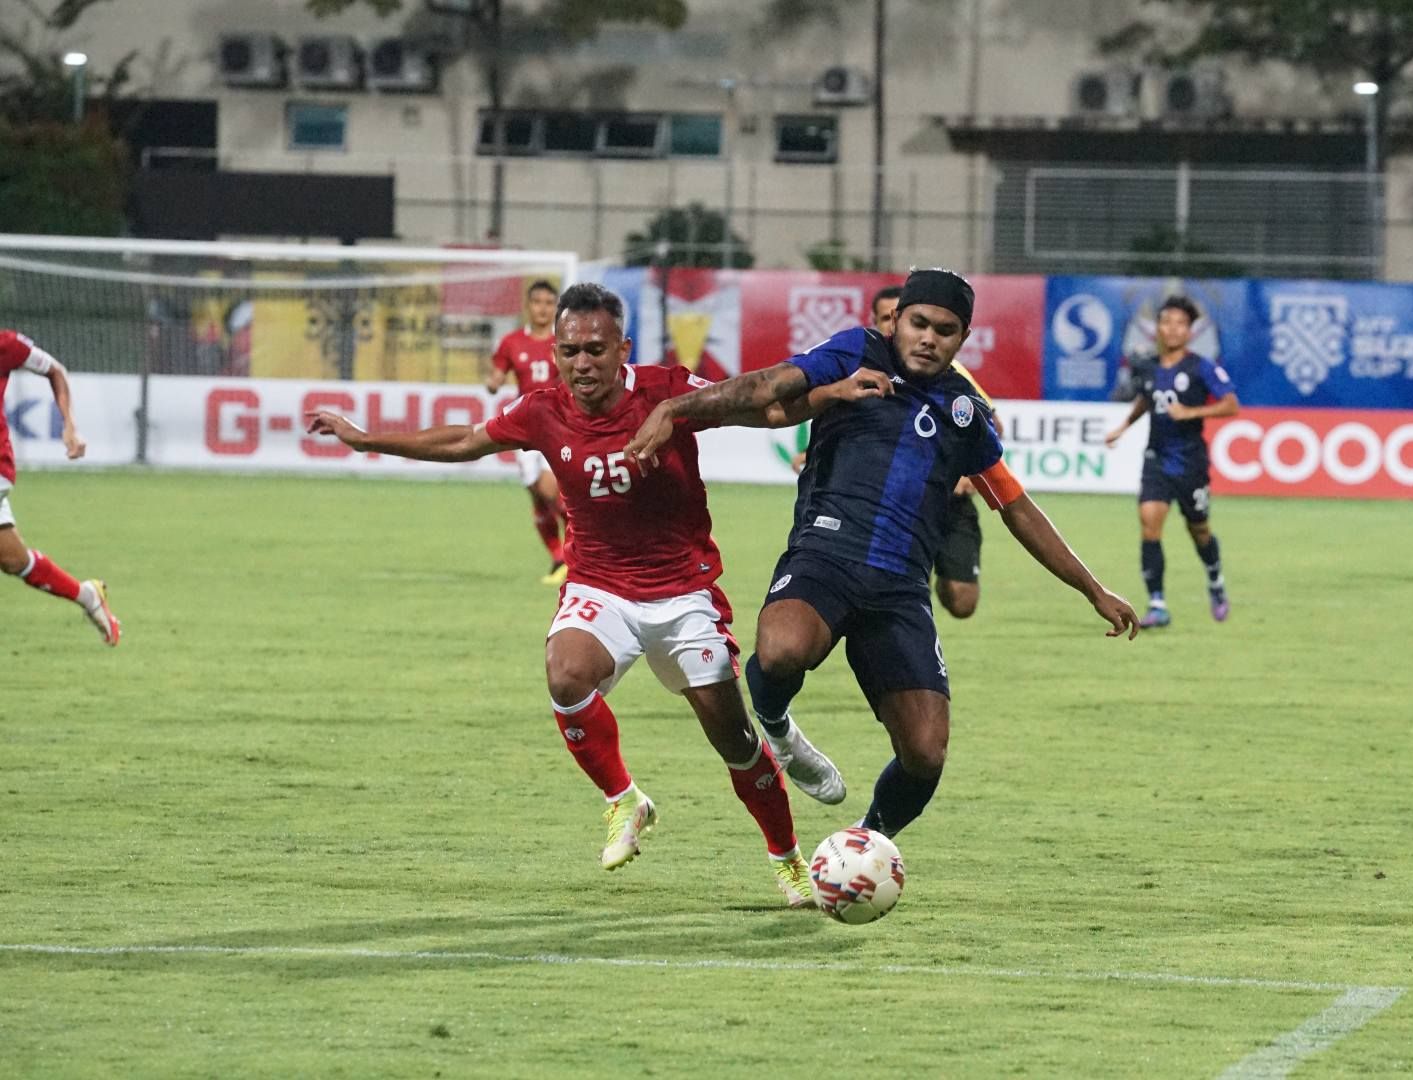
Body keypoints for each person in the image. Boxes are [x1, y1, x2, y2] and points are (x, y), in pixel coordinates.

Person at [307, 283, 873, 905]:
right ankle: (624, 800)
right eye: (570, 350)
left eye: (596, 350)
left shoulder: (666, 390)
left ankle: (787, 858)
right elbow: (467, 440)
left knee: (735, 742)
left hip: (685, 598)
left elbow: (766, 410)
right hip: (600, 587)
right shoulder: (542, 410)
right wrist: (369, 440)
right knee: (565, 674)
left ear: (622, 348)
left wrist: (831, 396)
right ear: (555, 352)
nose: (582, 364)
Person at [626, 268, 1139, 840]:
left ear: (961, 339)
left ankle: (863, 845)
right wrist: (676, 409)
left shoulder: (965, 410)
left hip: (899, 589)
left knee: (926, 753)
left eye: (945, 330)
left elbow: (1015, 506)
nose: (928, 337)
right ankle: (776, 723)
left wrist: (1094, 589)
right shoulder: (853, 351)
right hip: (825, 555)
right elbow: (773, 385)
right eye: (918, 322)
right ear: (896, 321)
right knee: (782, 650)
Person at [792, 284, 998, 619]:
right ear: (887, 322)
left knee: (962, 602)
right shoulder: (858, 364)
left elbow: (988, 429)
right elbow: (822, 416)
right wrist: (807, 453)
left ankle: (926, 565)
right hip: (869, 516)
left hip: (944, 503)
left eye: (939, 328)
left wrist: (964, 472)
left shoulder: (953, 376)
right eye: (890, 318)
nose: (926, 336)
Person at [1102, 297, 1239, 629]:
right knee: (1149, 523)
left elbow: (1231, 404)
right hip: (1157, 459)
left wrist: (1192, 412)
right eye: (1166, 322)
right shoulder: (1147, 366)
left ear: (1190, 331)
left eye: (1180, 323)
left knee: (1199, 530)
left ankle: (1215, 579)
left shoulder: (1201, 367)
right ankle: (1157, 604)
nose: (1172, 328)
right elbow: (1147, 399)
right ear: (1157, 328)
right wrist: (1122, 426)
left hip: (1191, 463)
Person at [0, 330, 121, 646]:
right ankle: (87, 595)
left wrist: (70, 426)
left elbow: (55, 370)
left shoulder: (6, 345)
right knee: (14, 560)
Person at [486, 280, 569, 585]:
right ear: (529, 306)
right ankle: (559, 557)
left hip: (558, 425)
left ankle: (576, 555)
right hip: (524, 428)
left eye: (549, 303)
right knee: (536, 495)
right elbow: (496, 375)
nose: (543, 309)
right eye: (538, 302)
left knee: (551, 491)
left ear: (555, 307)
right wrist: (492, 381)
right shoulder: (512, 343)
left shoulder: (564, 343)